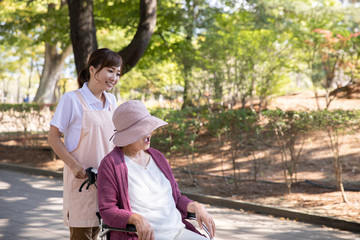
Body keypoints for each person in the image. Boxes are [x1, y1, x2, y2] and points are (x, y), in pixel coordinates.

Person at [97, 100, 216, 240]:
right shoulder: (110, 164)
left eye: (149, 127)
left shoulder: (157, 156)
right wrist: (134, 218)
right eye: (143, 129)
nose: (149, 132)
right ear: (128, 134)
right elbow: (107, 210)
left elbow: (176, 198)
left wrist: (196, 207)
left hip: (178, 232)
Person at [48, 48, 123, 240]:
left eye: (118, 73)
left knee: (105, 232)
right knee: (83, 234)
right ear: (92, 69)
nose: (114, 77)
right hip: (82, 181)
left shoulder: (112, 100)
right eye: (110, 70)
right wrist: (74, 166)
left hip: (108, 182)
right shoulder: (72, 100)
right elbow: (53, 138)